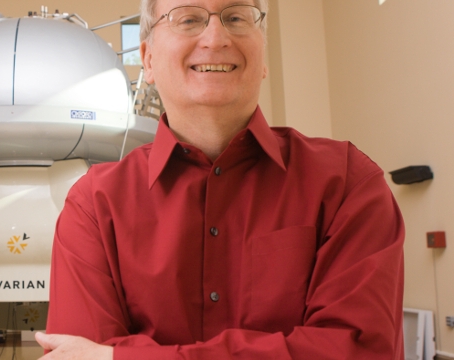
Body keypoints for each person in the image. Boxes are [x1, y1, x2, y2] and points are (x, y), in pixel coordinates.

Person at [34, 0, 405, 358]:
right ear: (148, 59)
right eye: (188, 19)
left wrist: (119, 357)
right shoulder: (95, 206)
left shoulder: (346, 184)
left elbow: (359, 351)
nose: (216, 38)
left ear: (262, 54)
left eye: (237, 17)